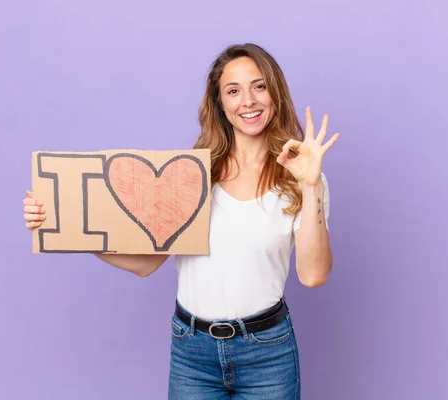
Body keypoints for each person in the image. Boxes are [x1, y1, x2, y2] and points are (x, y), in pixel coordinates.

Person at [23, 43, 339, 399]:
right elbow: (146, 263)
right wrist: (65, 226)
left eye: (259, 86)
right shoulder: (193, 173)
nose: (247, 100)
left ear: (275, 93)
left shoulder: (300, 175)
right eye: (233, 91)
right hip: (193, 353)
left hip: (267, 352)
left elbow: (314, 275)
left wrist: (310, 185)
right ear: (220, 104)